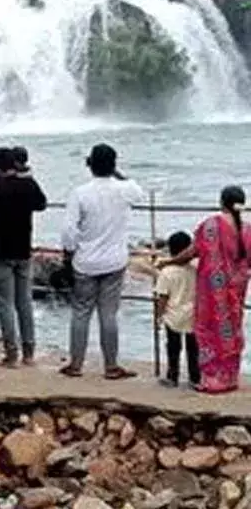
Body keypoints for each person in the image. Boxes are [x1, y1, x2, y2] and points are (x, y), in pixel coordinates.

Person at [59, 144, 144, 381]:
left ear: (89, 165)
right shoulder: (124, 190)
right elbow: (139, 191)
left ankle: (76, 364)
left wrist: (70, 251)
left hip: (85, 261)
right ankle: (111, 366)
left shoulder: (79, 193)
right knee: (109, 314)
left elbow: (68, 230)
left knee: (80, 313)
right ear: (114, 164)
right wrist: (117, 173)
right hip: (114, 261)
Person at [158, 186, 251, 393]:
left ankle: (212, 379)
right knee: (231, 331)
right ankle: (229, 377)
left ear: (221, 203)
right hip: (236, 290)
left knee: (209, 331)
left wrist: (168, 262)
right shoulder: (248, 230)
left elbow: (191, 253)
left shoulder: (210, 226)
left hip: (211, 291)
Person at [0, 146, 48, 367]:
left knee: (5, 303)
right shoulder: (28, 185)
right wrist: (28, 175)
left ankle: (11, 353)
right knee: (24, 302)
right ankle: (29, 352)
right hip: (23, 249)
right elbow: (41, 204)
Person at [153, 231, 199, 389]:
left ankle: (173, 377)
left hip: (173, 316)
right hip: (193, 314)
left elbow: (163, 297)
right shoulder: (195, 270)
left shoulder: (166, 273)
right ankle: (195, 377)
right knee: (193, 349)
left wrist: (158, 316)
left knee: (173, 347)